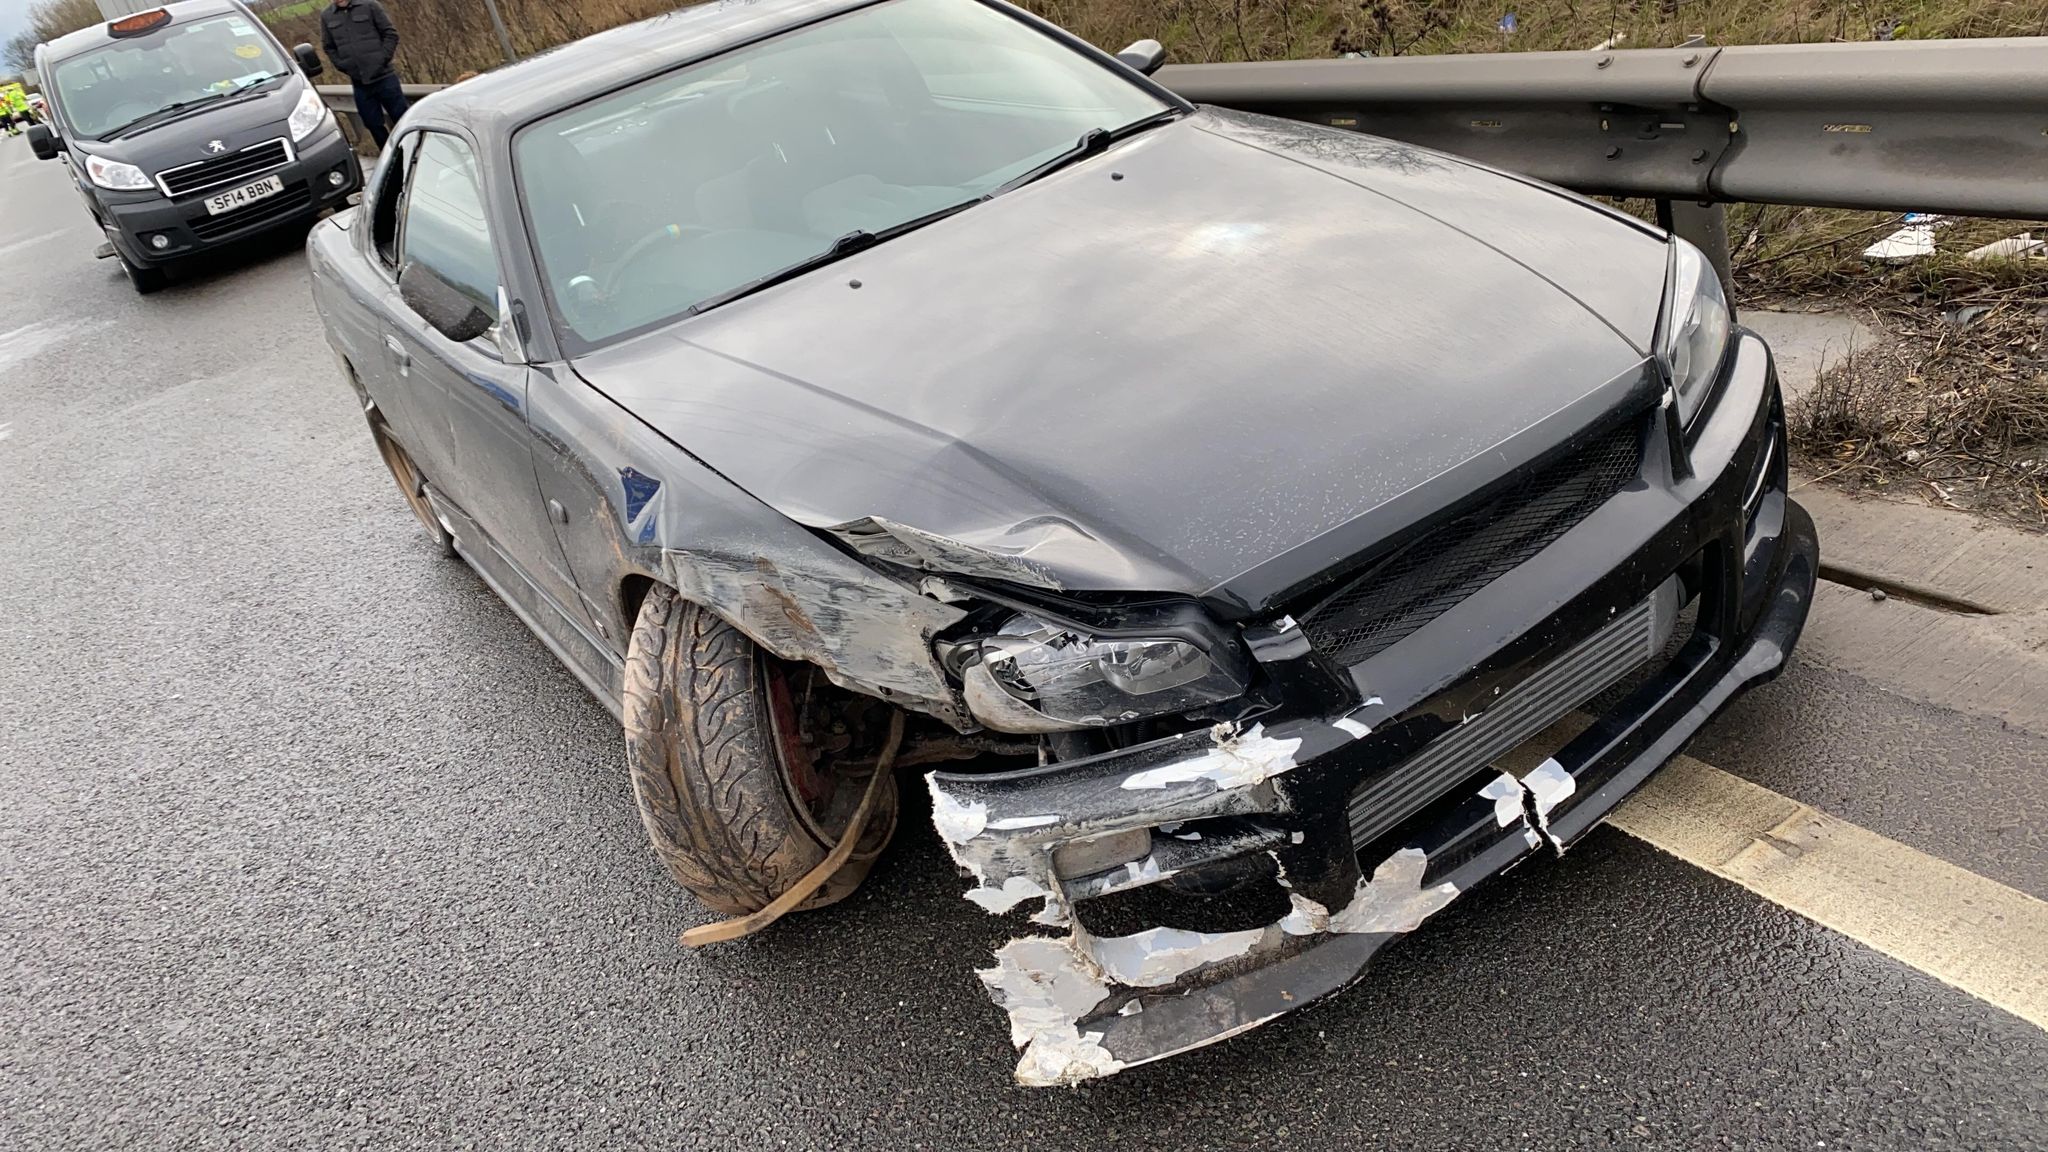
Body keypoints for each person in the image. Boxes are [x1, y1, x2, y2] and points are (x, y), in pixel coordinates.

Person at [319, 0, 407, 148]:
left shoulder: (369, 5)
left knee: (402, 118)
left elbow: (390, 34)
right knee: (372, 124)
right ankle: (390, 160)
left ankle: (413, 152)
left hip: (384, 77)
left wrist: (382, 58)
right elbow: (328, 47)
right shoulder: (327, 16)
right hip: (360, 83)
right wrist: (343, 65)